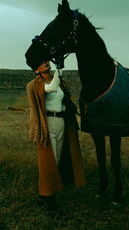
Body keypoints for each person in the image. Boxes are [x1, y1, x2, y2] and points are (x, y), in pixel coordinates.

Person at [26, 59, 86, 213]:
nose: (45, 63)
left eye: (46, 61)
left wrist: (69, 107)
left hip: (61, 122)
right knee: (48, 161)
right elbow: (51, 89)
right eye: (41, 63)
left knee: (57, 159)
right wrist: (60, 69)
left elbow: (61, 100)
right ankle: (49, 198)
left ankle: (44, 194)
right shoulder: (35, 85)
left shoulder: (59, 82)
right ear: (36, 70)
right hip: (47, 124)